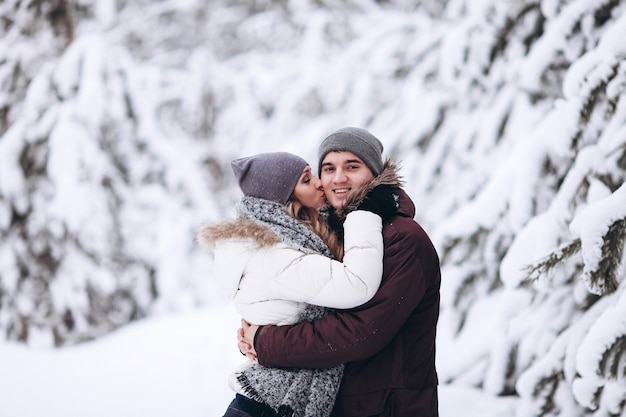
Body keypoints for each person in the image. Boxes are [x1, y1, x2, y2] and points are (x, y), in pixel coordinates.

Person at [239, 128, 441, 416]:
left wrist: (266, 341)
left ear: (374, 172)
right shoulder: (332, 233)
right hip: (342, 402)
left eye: (352, 166)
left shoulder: (403, 238)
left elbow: (362, 331)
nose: (339, 178)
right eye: (329, 168)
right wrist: (257, 330)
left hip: (389, 406)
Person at [197, 151, 399, 417]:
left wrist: (259, 339)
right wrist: (366, 213)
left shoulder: (302, 239)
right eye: (306, 180)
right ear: (285, 199)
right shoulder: (275, 255)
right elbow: (356, 284)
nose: (318, 183)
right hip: (268, 407)